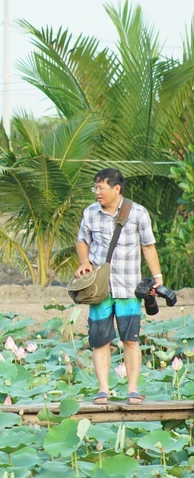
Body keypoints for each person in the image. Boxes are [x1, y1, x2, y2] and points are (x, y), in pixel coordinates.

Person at [74, 168, 163, 406]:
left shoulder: (138, 213)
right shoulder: (90, 213)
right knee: (100, 340)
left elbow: (148, 247)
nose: (97, 193)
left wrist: (158, 277)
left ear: (116, 188)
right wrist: (85, 262)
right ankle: (103, 389)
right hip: (99, 290)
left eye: (101, 188)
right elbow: (82, 240)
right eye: (95, 188)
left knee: (131, 339)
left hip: (129, 288)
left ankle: (132, 390)